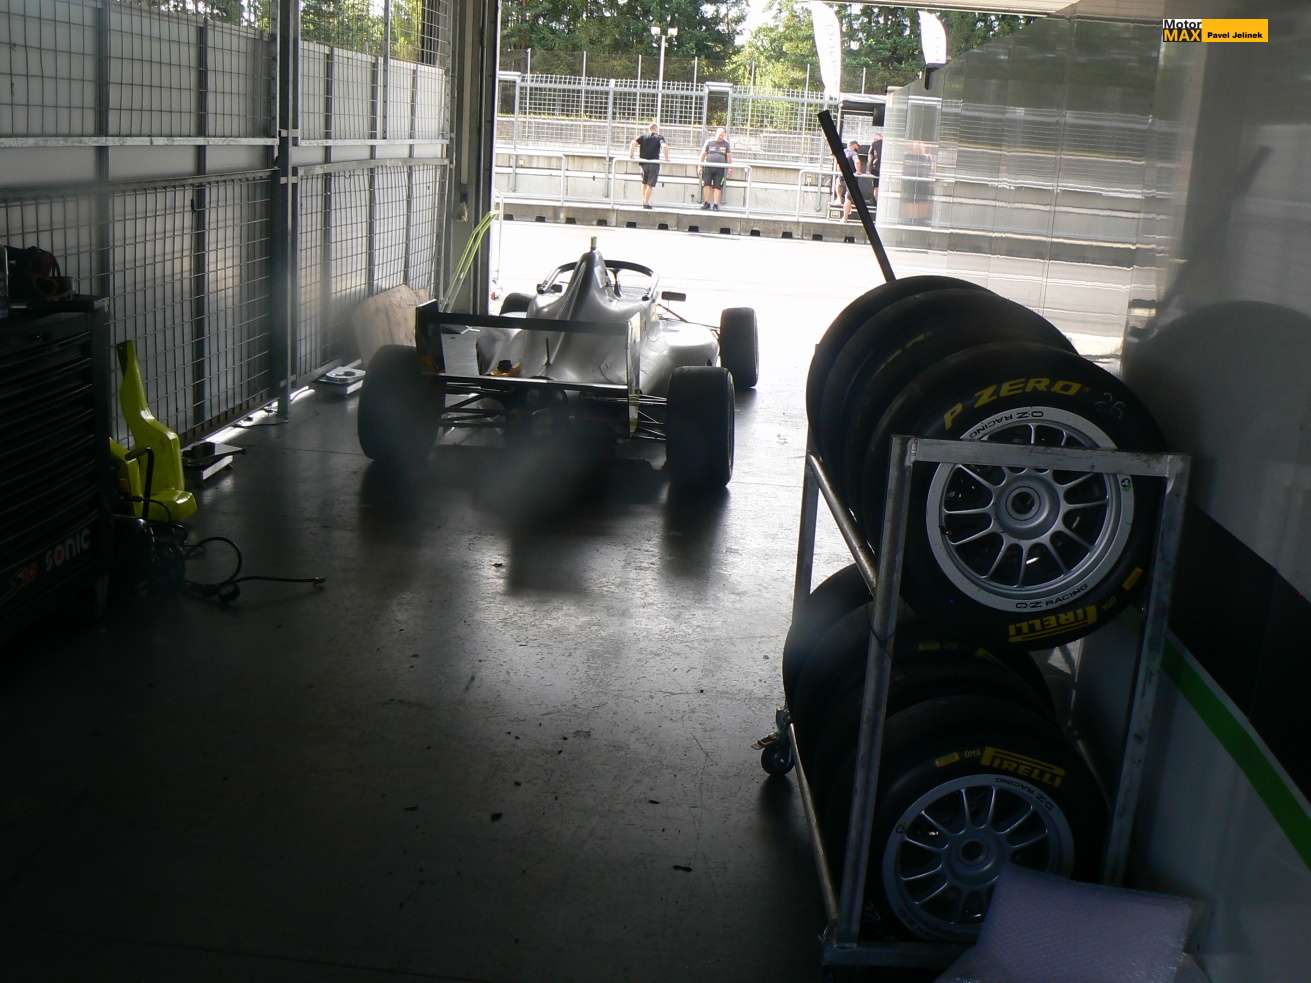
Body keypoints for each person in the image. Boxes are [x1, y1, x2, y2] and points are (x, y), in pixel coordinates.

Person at [630, 122, 670, 210]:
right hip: (654, 164)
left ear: (649, 129)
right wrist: (667, 158)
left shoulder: (643, 136)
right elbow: (664, 146)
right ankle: (646, 203)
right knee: (650, 184)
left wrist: (631, 155)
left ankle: (644, 200)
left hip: (643, 163)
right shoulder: (659, 137)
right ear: (656, 129)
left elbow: (633, 143)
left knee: (644, 183)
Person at [699, 127, 732, 211]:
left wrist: (730, 168)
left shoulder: (726, 144)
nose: (721, 137)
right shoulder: (709, 142)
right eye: (719, 135)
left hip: (720, 169)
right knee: (706, 184)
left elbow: (729, 157)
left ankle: (716, 205)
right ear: (716, 134)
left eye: (722, 135)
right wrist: (700, 166)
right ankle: (706, 203)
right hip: (708, 167)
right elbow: (703, 154)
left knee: (717, 187)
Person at [838, 139, 866, 221]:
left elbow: (838, 163)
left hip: (842, 176)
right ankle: (845, 218)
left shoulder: (842, 152)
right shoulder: (854, 153)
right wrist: (858, 171)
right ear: (853, 145)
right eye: (857, 146)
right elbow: (857, 162)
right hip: (851, 177)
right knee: (848, 198)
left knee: (846, 194)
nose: (858, 148)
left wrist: (839, 172)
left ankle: (839, 200)